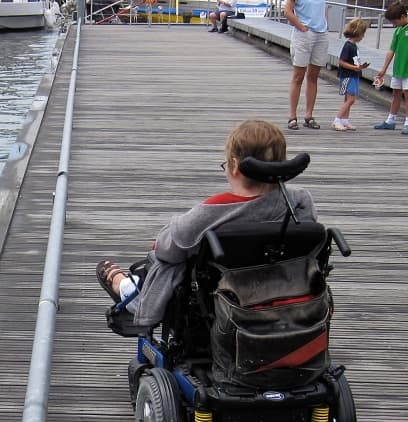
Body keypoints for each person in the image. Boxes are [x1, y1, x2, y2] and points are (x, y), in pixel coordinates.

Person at [96, 119, 317, 329]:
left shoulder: (214, 210)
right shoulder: (299, 203)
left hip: (223, 301)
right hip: (286, 292)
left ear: (234, 166)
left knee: (164, 260)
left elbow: (167, 249)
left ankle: (129, 291)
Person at [373, 1, 408, 135]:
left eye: (395, 21)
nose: (394, 24)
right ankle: (391, 120)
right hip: (398, 67)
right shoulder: (398, 30)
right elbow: (391, 50)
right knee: (396, 94)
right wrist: (383, 69)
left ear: (403, 16)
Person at [283, 0, 328, 131]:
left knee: (313, 76)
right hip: (303, 34)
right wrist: (301, 27)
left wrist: (325, 26)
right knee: (298, 77)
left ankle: (309, 116)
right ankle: (292, 116)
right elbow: (287, 11)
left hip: (321, 33)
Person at [333, 18, 370, 131]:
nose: (363, 37)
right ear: (358, 33)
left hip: (354, 75)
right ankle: (337, 120)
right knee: (351, 99)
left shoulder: (354, 46)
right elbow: (341, 62)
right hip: (348, 75)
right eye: (362, 34)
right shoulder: (348, 46)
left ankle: (345, 120)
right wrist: (355, 67)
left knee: (348, 99)